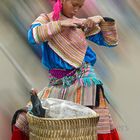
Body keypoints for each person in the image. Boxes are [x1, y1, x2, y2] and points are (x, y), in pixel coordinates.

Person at [11, 0, 119, 140]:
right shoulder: (46, 19)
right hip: (56, 85)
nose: (76, 10)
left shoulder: (80, 24)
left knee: (96, 123)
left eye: (80, 6)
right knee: (26, 119)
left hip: (85, 83)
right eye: (74, 4)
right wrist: (60, 24)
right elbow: (33, 36)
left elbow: (110, 41)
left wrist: (100, 20)